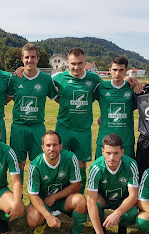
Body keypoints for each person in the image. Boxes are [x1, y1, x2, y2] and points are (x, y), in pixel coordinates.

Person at [51, 47, 104, 193]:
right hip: (63, 128)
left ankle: (79, 197)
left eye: (80, 63)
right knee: (60, 162)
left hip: (83, 130)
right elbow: (40, 80)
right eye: (73, 63)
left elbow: (109, 91)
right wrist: (21, 70)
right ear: (68, 62)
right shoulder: (59, 77)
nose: (76, 67)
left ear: (85, 62)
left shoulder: (93, 79)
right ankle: (60, 197)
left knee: (81, 164)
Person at [8, 43, 58, 184]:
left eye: (33, 57)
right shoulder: (14, 78)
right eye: (27, 57)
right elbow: (6, 98)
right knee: (19, 164)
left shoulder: (46, 79)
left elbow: (58, 97)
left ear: (38, 58)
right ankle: (19, 197)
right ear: (22, 59)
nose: (30, 60)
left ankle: (36, 195)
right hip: (19, 127)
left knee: (39, 163)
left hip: (37, 127)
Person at [26, 130, 87, 234]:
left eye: (55, 145)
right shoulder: (35, 165)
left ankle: (77, 232)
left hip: (63, 199)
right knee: (32, 220)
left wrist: (54, 197)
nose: (51, 149)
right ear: (42, 148)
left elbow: (76, 186)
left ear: (60, 146)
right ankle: (45, 220)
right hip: (43, 200)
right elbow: (33, 196)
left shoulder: (71, 158)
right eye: (48, 145)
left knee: (80, 201)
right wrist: (48, 216)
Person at [87, 134, 139, 234]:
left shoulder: (131, 165)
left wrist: (116, 214)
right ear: (102, 152)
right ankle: (101, 227)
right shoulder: (96, 168)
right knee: (95, 203)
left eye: (116, 153)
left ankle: (123, 227)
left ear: (122, 152)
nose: (112, 157)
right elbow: (90, 201)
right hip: (104, 199)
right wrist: (99, 233)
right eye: (108, 153)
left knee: (132, 211)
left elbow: (133, 196)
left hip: (122, 199)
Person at [95, 56, 136, 159]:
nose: (117, 74)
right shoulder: (101, 87)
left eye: (121, 70)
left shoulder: (132, 88)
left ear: (126, 70)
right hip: (104, 138)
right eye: (115, 70)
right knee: (102, 171)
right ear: (110, 70)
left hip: (126, 140)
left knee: (127, 172)